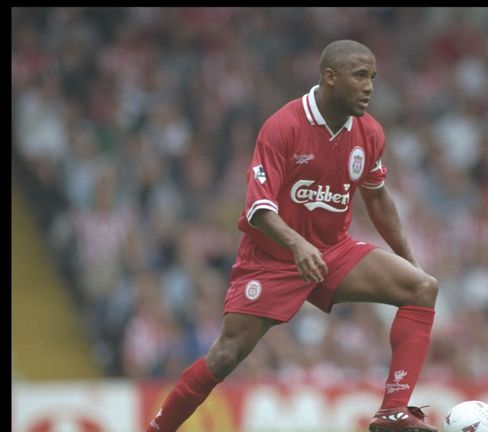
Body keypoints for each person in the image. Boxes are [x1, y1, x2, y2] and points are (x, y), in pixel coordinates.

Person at [146, 39, 439, 432]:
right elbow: (258, 208)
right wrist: (297, 244)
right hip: (272, 260)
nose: (369, 86)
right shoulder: (284, 126)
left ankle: (392, 412)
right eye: (360, 76)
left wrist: (408, 259)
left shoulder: (369, 134)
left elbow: (378, 197)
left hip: (333, 251)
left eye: (372, 77)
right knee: (226, 356)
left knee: (421, 287)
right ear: (329, 77)